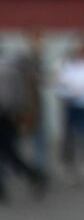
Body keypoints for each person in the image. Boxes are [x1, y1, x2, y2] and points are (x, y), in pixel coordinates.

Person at [0, 48, 46, 203]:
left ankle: (32, 175)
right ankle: (32, 175)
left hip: (4, 117)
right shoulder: (12, 69)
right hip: (11, 116)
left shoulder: (5, 71)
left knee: (9, 153)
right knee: (9, 152)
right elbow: (19, 96)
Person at [54, 42, 84, 188]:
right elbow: (62, 85)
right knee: (70, 138)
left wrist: (78, 89)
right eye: (81, 53)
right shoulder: (70, 67)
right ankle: (69, 167)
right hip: (73, 106)